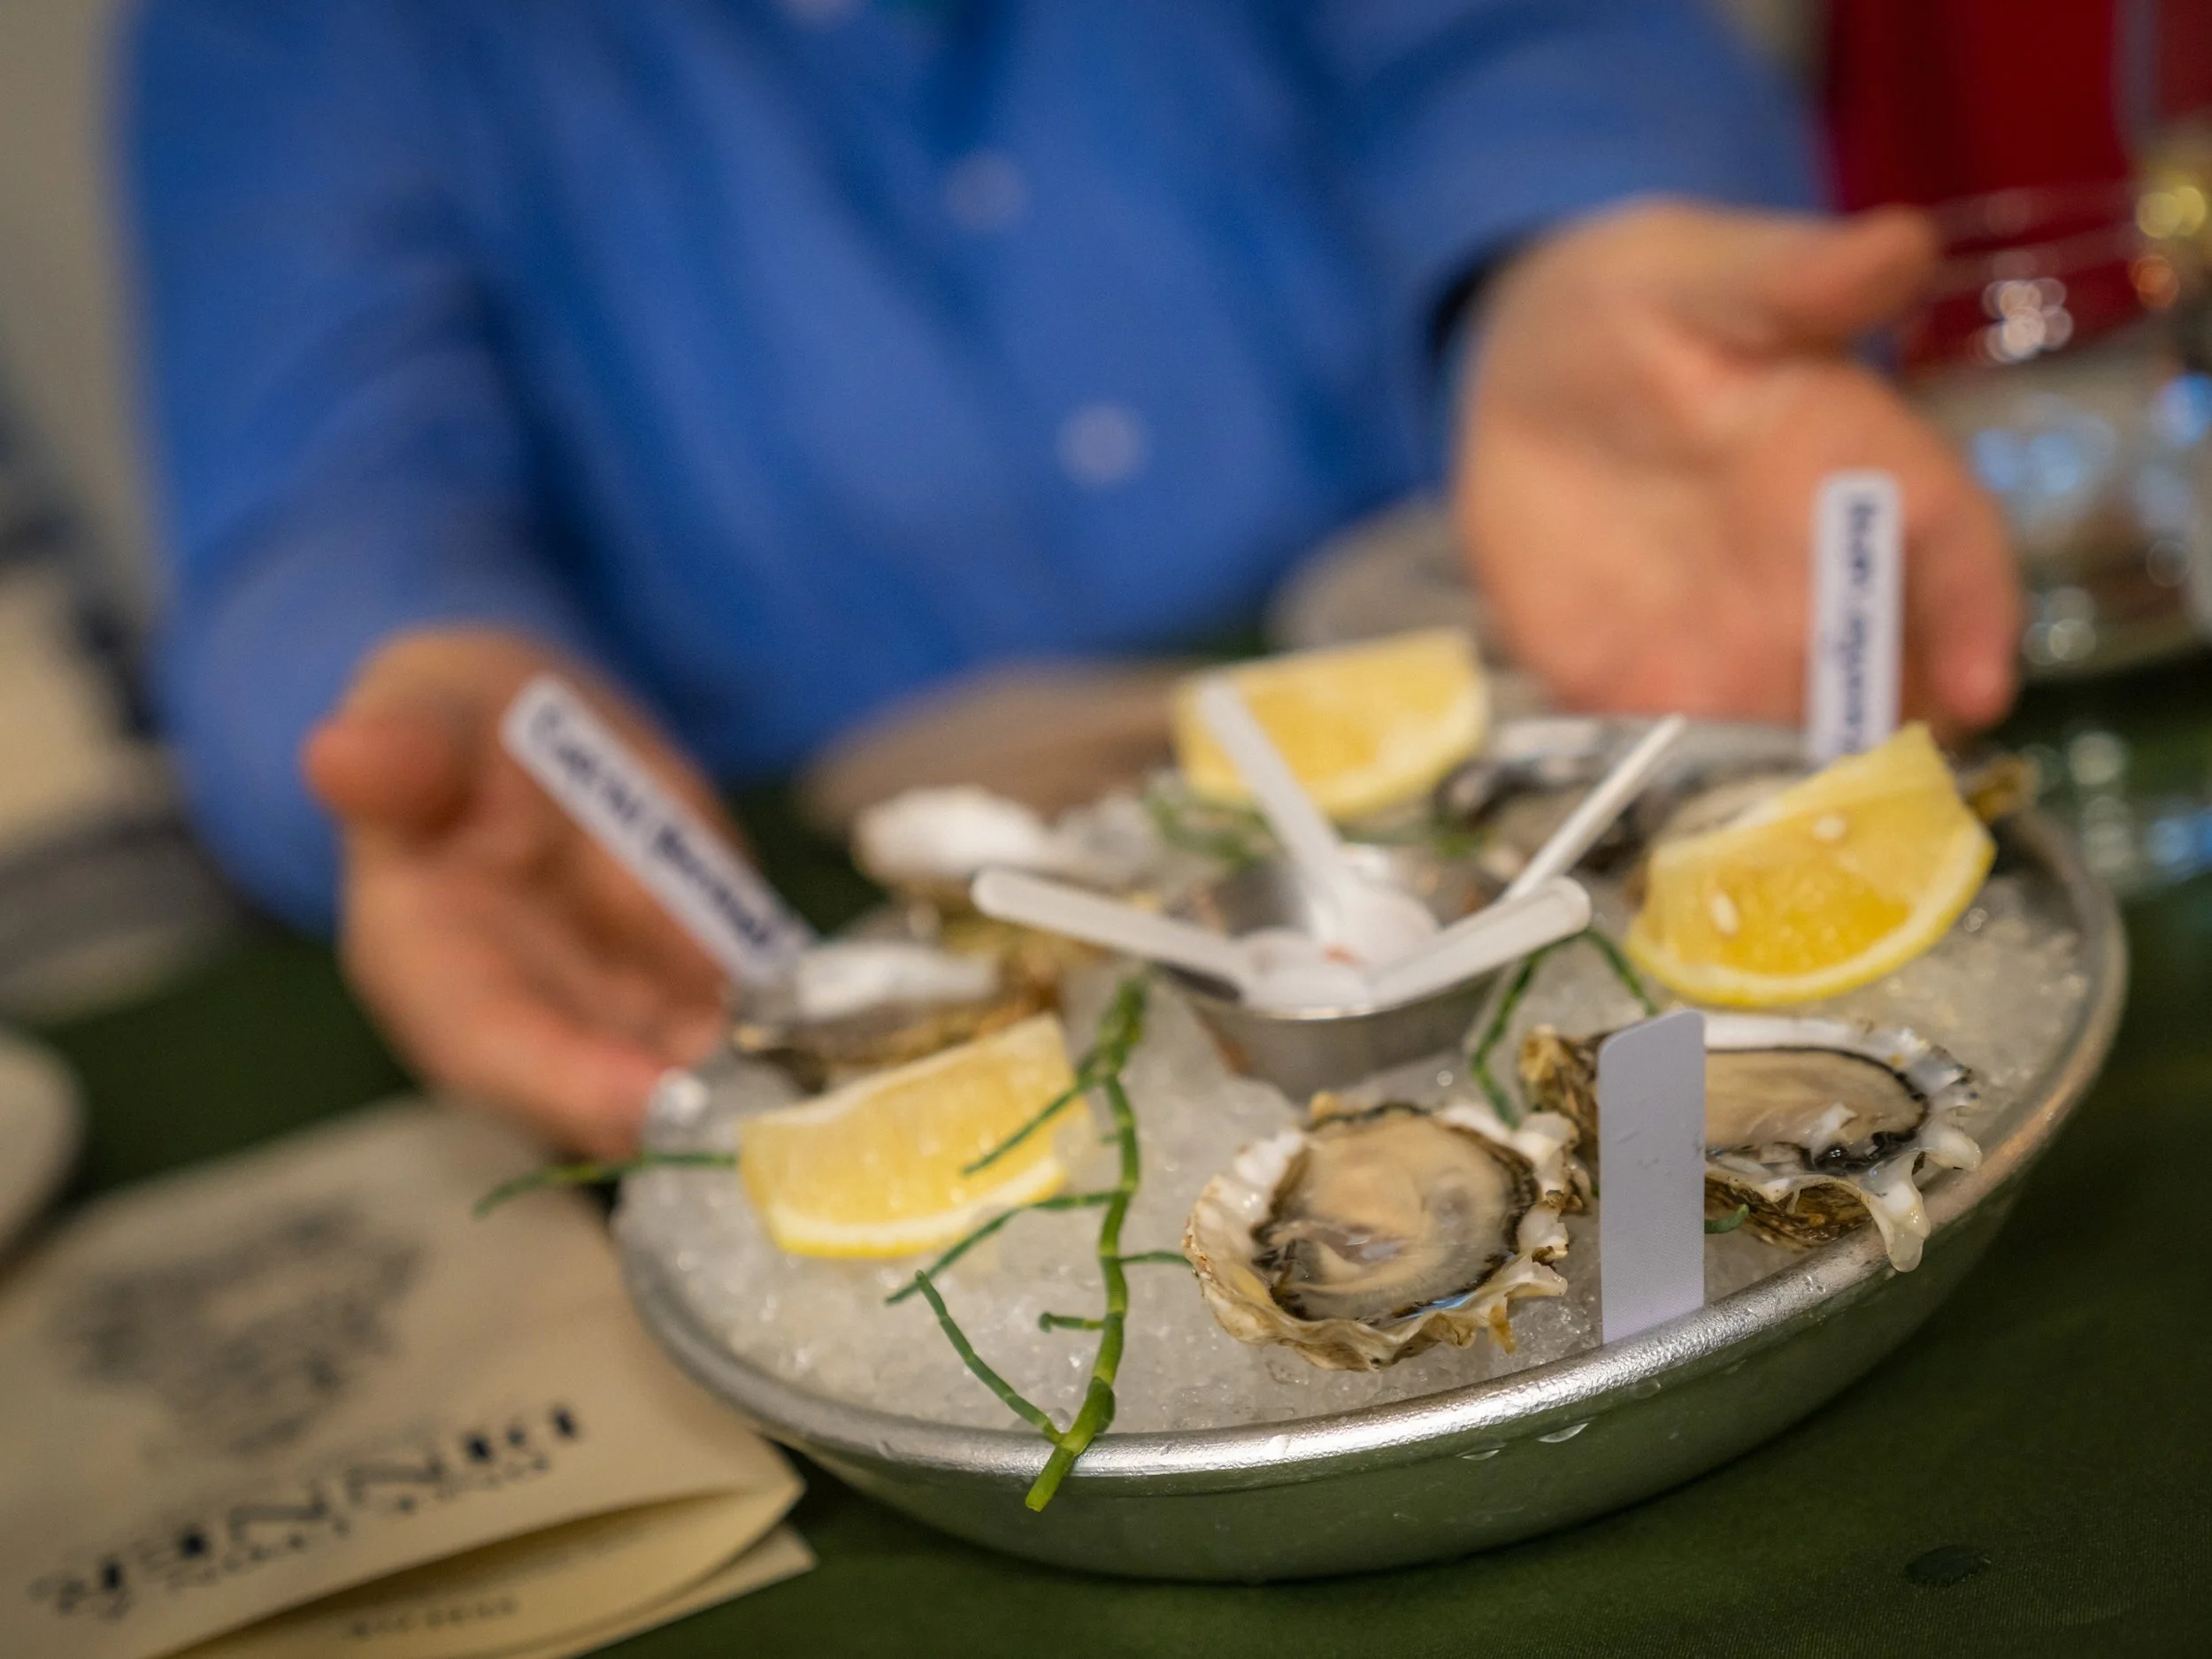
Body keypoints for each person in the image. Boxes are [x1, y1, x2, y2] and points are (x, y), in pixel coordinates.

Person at [127, 0, 2019, 1155]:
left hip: (1499, 699)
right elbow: (319, 490)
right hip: (808, 878)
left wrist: (1572, 259)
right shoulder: (279, 28)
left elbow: (1531, 48)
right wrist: (422, 688)